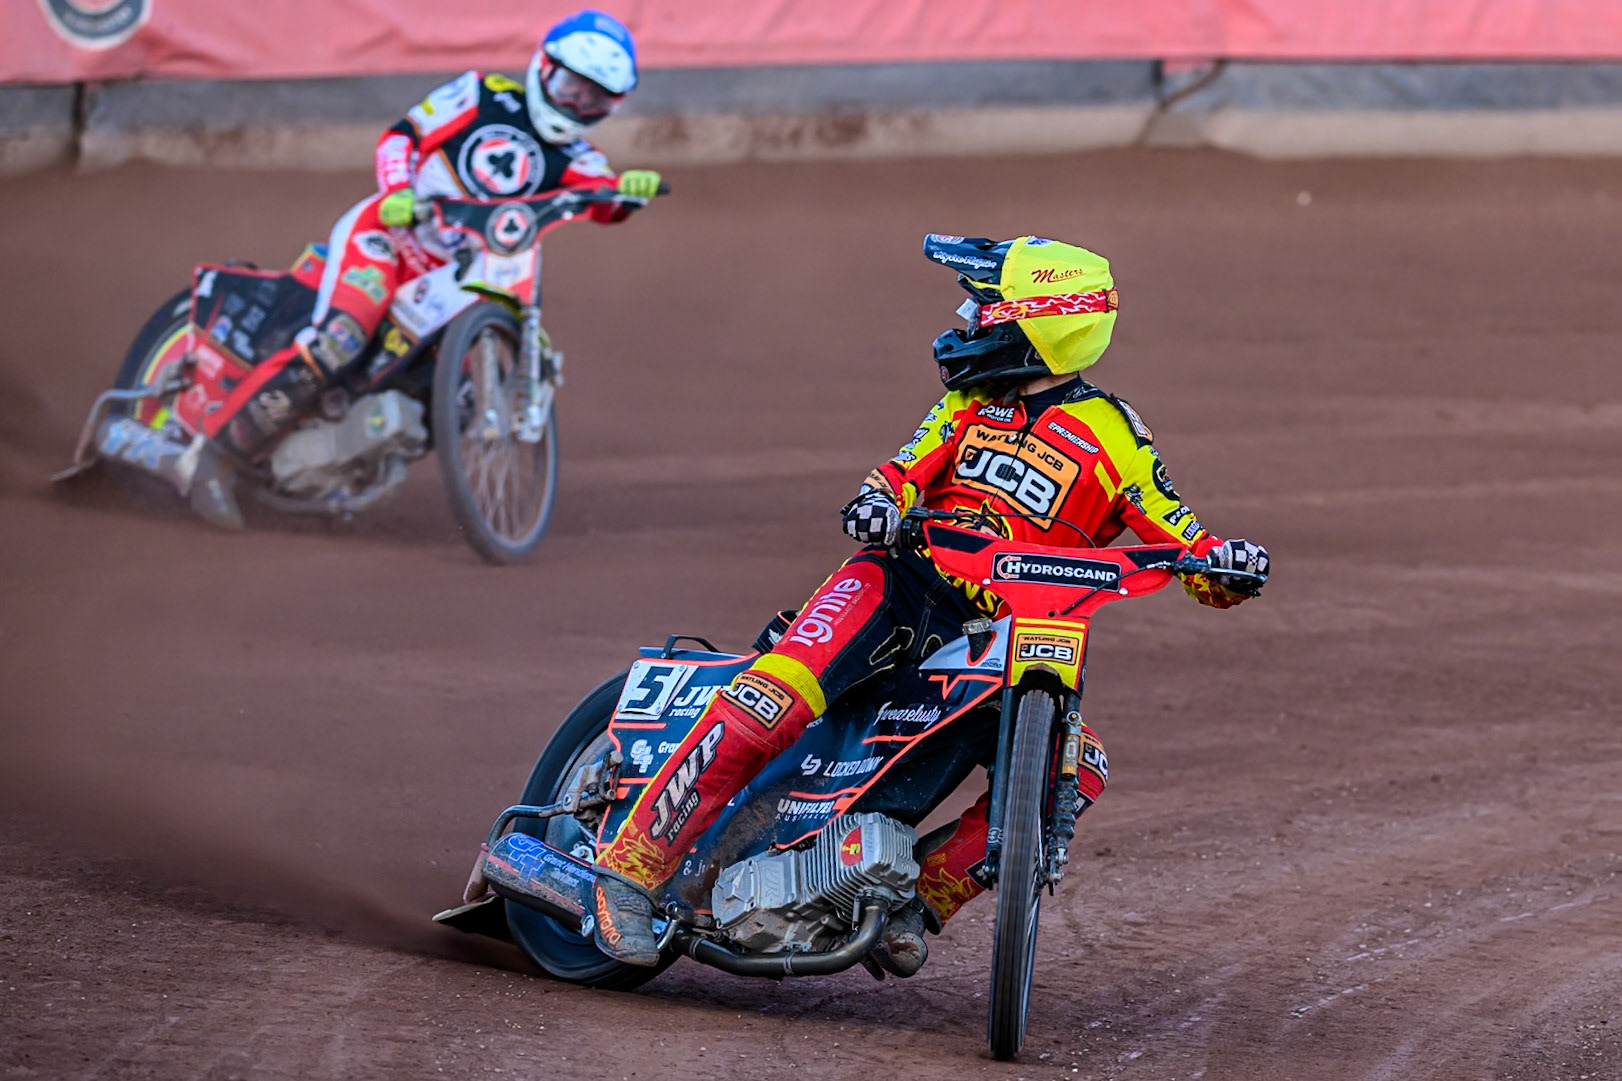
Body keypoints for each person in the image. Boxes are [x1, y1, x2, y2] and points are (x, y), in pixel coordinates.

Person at [588, 234, 1272, 974]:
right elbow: (899, 472)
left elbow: (1186, 542)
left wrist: (1224, 565)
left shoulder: (1116, 436)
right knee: (772, 694)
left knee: (1081, 767)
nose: (965, 319)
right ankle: (625, 870)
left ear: (1036, 326)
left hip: (995, 634)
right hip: (899, 584)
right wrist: (878, 501)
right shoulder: (963, 404)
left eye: (983, 307)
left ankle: (916, 902)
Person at [185, 9, 662, 529]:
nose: (578, 104)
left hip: (456, 279)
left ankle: (333, 468)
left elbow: (602, 200)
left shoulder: (578, 158)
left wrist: (628, 193)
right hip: (388, 242)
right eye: (572, 86)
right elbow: (401, 137)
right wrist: (398, 192)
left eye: (596, 98)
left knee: (455, 400)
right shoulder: (483, 95)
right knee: (340, 339)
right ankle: (213, 456)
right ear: (543, 67)